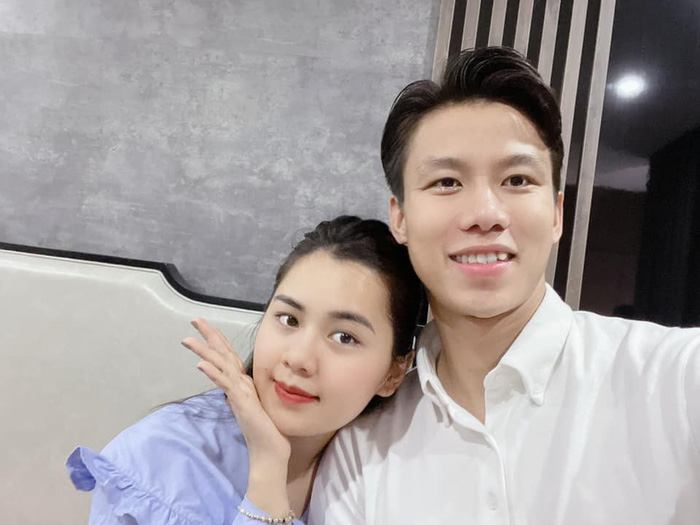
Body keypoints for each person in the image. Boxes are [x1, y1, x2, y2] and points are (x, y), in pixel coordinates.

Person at [309, 47, 700, 524]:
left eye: (516, 179)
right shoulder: (360, 448)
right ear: (401, 218)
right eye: (447, 182)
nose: (485, 214)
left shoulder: (673, 381)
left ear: (556, 213)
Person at [66, 216, 423, 524]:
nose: (299, 358)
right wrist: (267, 471)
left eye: (344, 337)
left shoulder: (383, 471)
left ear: (394, 373)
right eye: (289, 319)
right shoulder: (159, 462)